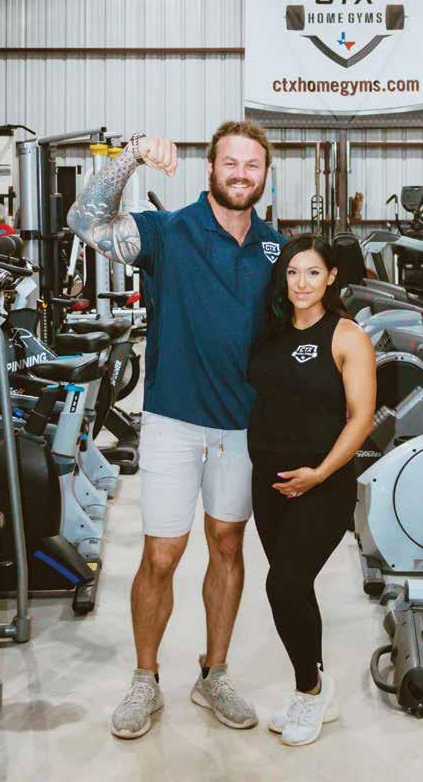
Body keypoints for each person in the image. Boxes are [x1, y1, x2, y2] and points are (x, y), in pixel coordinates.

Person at [67, 121, 286, 739]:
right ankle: (145, 679)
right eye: (231, 162)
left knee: (228, 546)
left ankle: (214, 673)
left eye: (252, 165)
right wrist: (132, 155)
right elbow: (86, 222)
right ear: (210, 169)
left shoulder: (276, 250)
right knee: (161, 556)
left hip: (241, 428)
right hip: (172, 420)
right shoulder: (169, 231)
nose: (241, 173)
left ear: (264, 176)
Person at [247, 234, 376, 747]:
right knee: (294, 588)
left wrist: (319, 473)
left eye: (313, 272)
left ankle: (309, 689)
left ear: (331, 277)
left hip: (323, 486)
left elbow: (361, 418)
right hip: (269, 484)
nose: (301, 283)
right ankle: (319, 686)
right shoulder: (271, 331)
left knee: (282, 585)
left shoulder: (347, 336)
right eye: (293, 272)